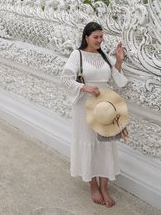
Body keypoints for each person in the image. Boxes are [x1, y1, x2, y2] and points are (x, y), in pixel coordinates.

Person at [60, 21, 128, 208]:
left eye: (101, 37)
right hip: (85, 105)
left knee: (105, 143)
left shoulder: (104, 55)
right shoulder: (77, 55)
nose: (99, 40)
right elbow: (65, 79)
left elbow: (118, 80)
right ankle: (93, 186)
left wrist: (119, 61)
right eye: (96, 37)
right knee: (88, 142)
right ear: (86, 37)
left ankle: (104, 187)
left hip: (106, 105)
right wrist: (84, 87)